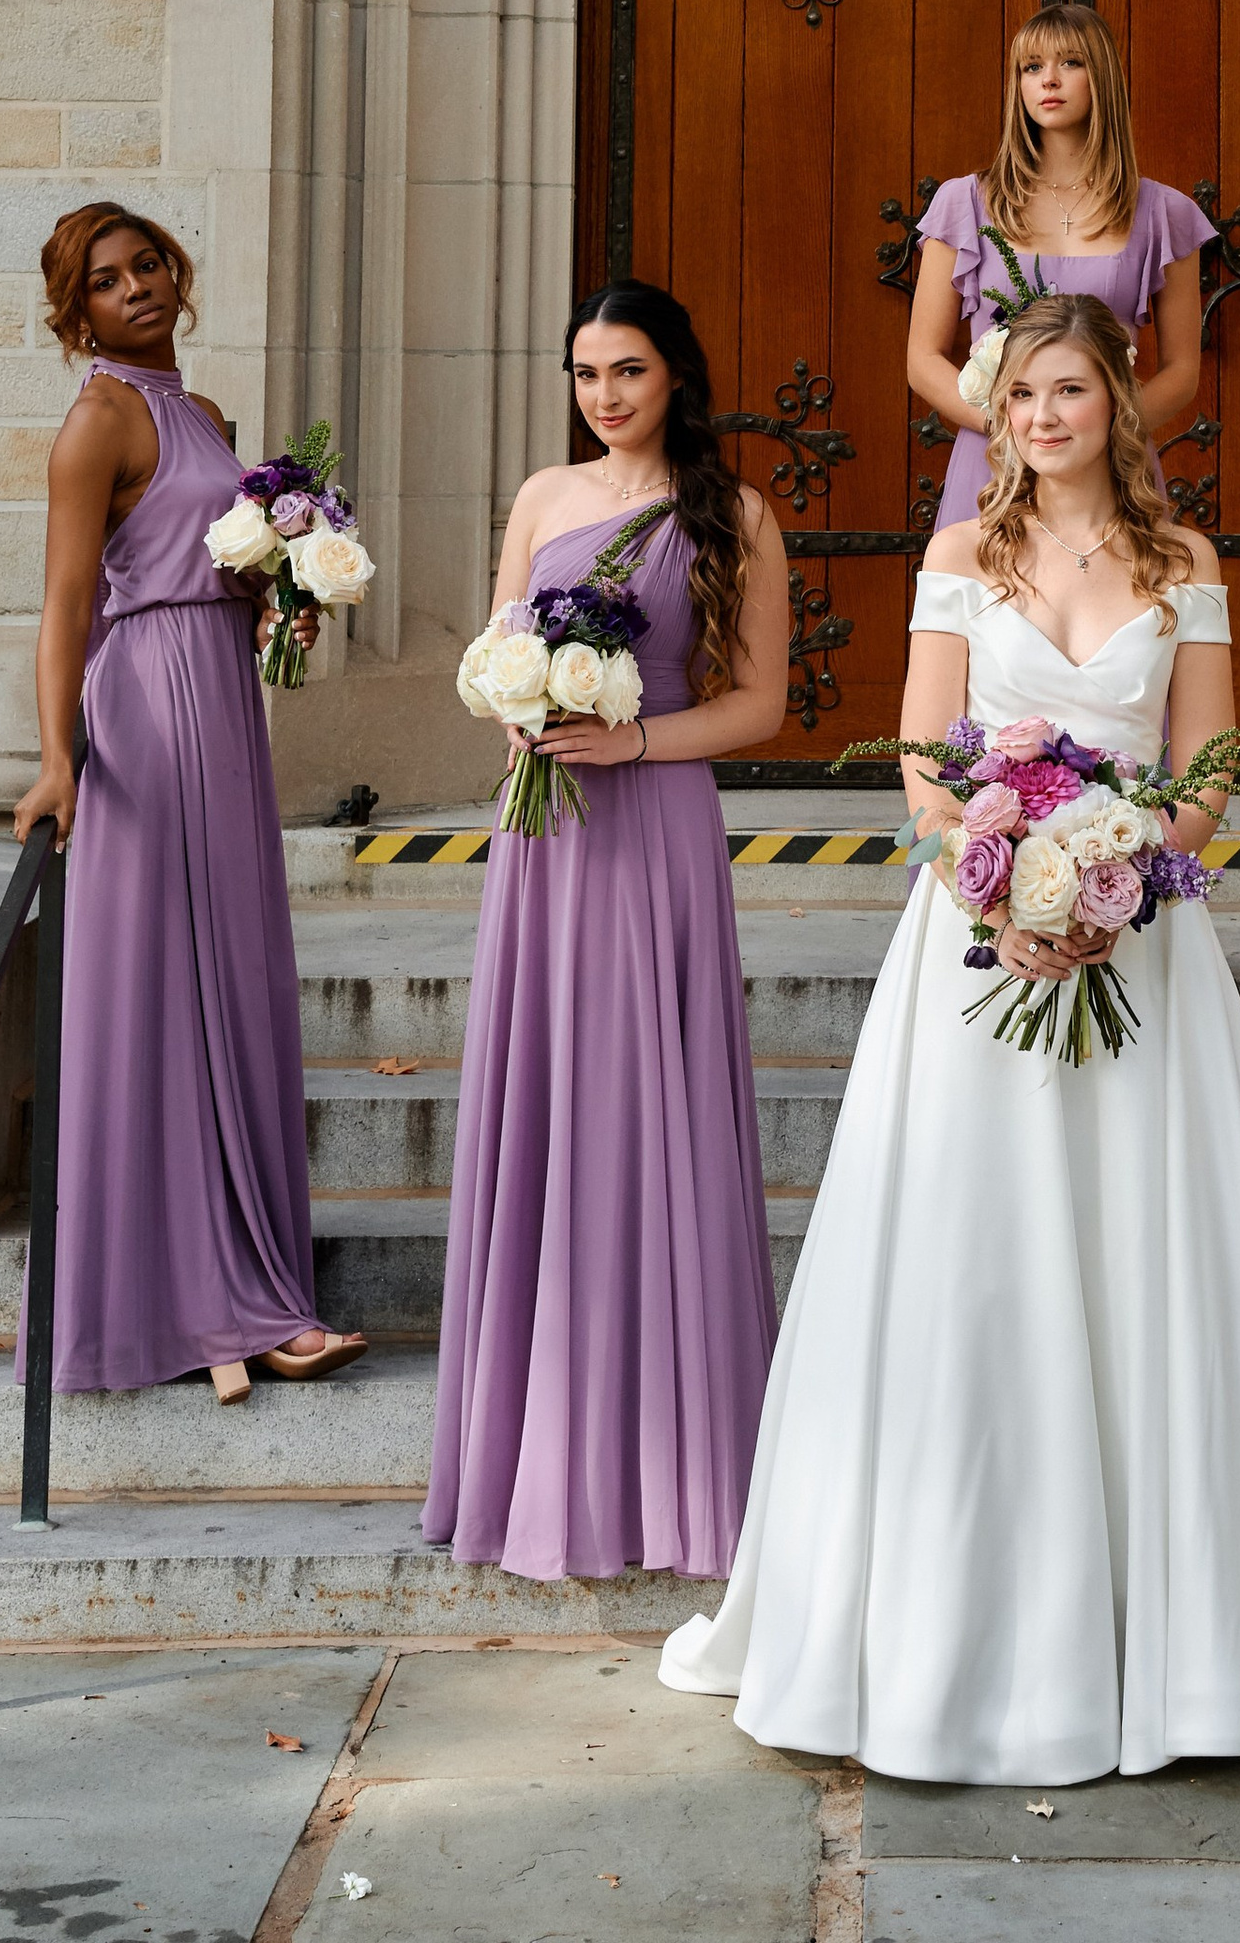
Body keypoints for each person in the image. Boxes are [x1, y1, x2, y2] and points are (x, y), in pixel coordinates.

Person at [662, 293, 1240, 1780]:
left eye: (1071, 390)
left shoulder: (1188, 564)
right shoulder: (962, 556)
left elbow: (1209, 774)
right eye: (1021, 391)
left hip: (1145, 950)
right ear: (995, 408)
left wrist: (1120, 880)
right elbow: (918, 766)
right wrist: (1003, 887)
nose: (1043, 415)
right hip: (977, 957)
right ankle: (956, 1641)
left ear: (1117, 406)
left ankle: (1201, 1642)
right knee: (978, 1268)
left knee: (1159, 1273)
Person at [423, 280, 788, 1580]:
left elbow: (759, 707)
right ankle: (539, 1453)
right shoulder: (541, 496)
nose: (606, 394)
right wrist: (515, 706)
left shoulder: (733, 516)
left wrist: (634, 736)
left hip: (658, 833)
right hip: (548, 835)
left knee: (650, 1111)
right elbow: (490, 653)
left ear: (676, 373)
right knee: (550, 1107)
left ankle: (679, 1467)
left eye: (628, 369)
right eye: (586, 372)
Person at [13, 206, 361, 1402]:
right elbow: (66, 607)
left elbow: (227, 564)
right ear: (79, 317)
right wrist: (58, 760)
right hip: (148, 713)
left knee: (233, 980)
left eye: (147, 264)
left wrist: (285, 592)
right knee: (161, 993)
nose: (136, 288)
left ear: (177, 272)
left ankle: (249, 1288)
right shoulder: (96, 421)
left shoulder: (204, 416)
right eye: (106, 283)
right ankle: (194, 1300)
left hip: (221, 697)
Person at [906, 3, 1208, 529]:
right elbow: (923, 359)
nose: (1048, 80)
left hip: (1112, 470)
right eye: (1031, 67)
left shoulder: (1165, 213)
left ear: (1103, 78)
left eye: (1070, 63)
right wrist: (1017, 431)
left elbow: (1182, 371)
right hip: (994, 465)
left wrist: (1102, 435)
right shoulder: (964, 204)